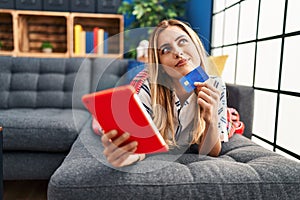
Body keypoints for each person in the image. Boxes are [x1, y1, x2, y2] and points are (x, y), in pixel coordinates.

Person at [98, 19, 225, 168]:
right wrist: (130, 154)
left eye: (182, 41)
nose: (177, 52)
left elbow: (210, 153)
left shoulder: (215, 84)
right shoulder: (147, 89)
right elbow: (140, 146)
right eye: (165, 50)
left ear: (196, 46)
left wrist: (211, 119)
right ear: (161, 65)